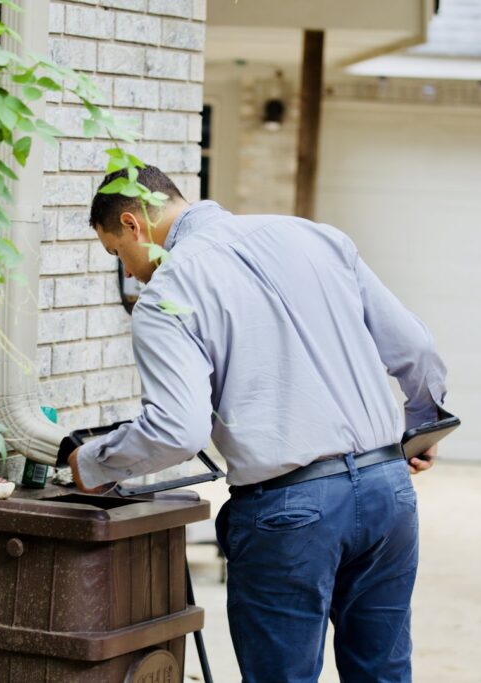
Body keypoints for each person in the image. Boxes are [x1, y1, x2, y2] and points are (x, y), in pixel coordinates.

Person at [68, 166, 448, 683]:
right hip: (388, 493)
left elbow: (176, 431)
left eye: (118, 256)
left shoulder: (168, 293)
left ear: (133, 225)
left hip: (290, 511)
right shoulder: (316, 237)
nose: (131, 274)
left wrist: (91, 462)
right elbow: (416, 350)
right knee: (383, 672)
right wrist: (421, 426)